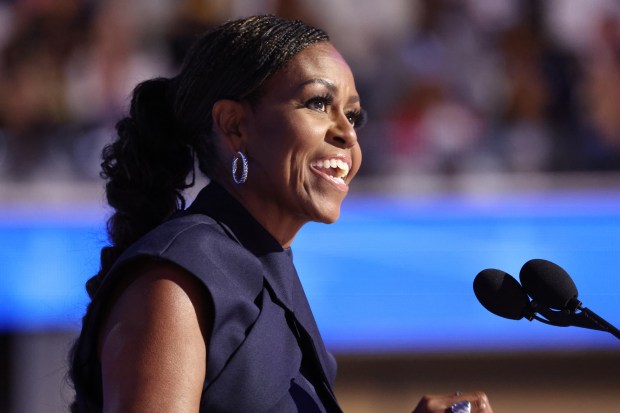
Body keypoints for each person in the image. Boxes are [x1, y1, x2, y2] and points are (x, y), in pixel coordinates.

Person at [68, 15, 493, 413]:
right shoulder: (178, 277)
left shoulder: (264, 270)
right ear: (234, 125)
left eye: (353, 114)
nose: (347, 133)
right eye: (317, 103)